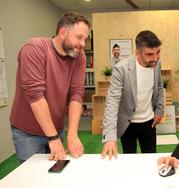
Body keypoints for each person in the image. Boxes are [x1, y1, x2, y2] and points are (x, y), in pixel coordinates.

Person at [9, 11, 90, 163]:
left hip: (57, 128)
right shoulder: (34, 49)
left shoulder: (79, 56)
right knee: (33, 180)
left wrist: (72, 133)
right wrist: (53, 138)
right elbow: (35, 96)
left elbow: (76, 94)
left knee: (58, 175)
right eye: (79, 37)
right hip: (28, 132)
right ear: (63, 32)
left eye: (85, 39)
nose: (83, 44)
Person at [101, 30, 165, 159]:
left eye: (158, 52)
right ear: (137, 52)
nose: (155, 58)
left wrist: (159, 110)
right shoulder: (121, 68)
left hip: (149, 122)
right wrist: (109, 136)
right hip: (128, 124)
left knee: (151, 158)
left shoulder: (156, 64)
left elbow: (158, 87)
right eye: (149, 54)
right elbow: (112, 101)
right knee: (129, 160)